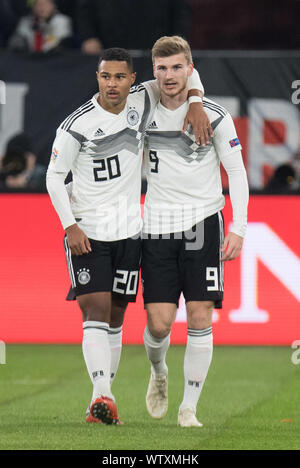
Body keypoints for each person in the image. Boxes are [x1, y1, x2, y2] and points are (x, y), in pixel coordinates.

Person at [46, 46, 211, 425]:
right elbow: (54, 177)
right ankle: (105, 394)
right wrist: (68, 225)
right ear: (98, 78)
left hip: (130, 233)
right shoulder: (77, 124)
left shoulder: (144, 98)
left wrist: (197, 102)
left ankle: (98, 403)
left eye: (120, 76)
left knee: (117, 316)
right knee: (95, 310)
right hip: (87, 230)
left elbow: (186, 73)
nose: (113, 84)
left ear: (133, 79)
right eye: (106, 76)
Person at [141, 36, 249, 427]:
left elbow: (236, 171)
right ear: (153, 71)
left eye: (177, 68)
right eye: (162, 68)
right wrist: (195, 98)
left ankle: (189, 407)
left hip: (203, 222)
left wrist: (238, 227)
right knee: (158, 324)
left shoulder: (216, 115)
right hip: (156, 226)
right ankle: (159, 373)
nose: (170, 76)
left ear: (190, 68)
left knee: (200, 315)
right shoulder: (141, 106)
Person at [77, 0, 191, 55]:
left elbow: (180, 12)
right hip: (108, 47)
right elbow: (85, 10)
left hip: (155, 48)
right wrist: (89, 37)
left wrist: (177, 39)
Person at [8, 0, 72, 53]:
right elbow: (15, 43)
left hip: (53, 59)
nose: (42, 7)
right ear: (32, 7)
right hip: (30, 59)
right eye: (38, 4)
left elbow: (60, 43)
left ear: (53, 6)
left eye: (45, 4)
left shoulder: (61, 21)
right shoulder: (25, 22)